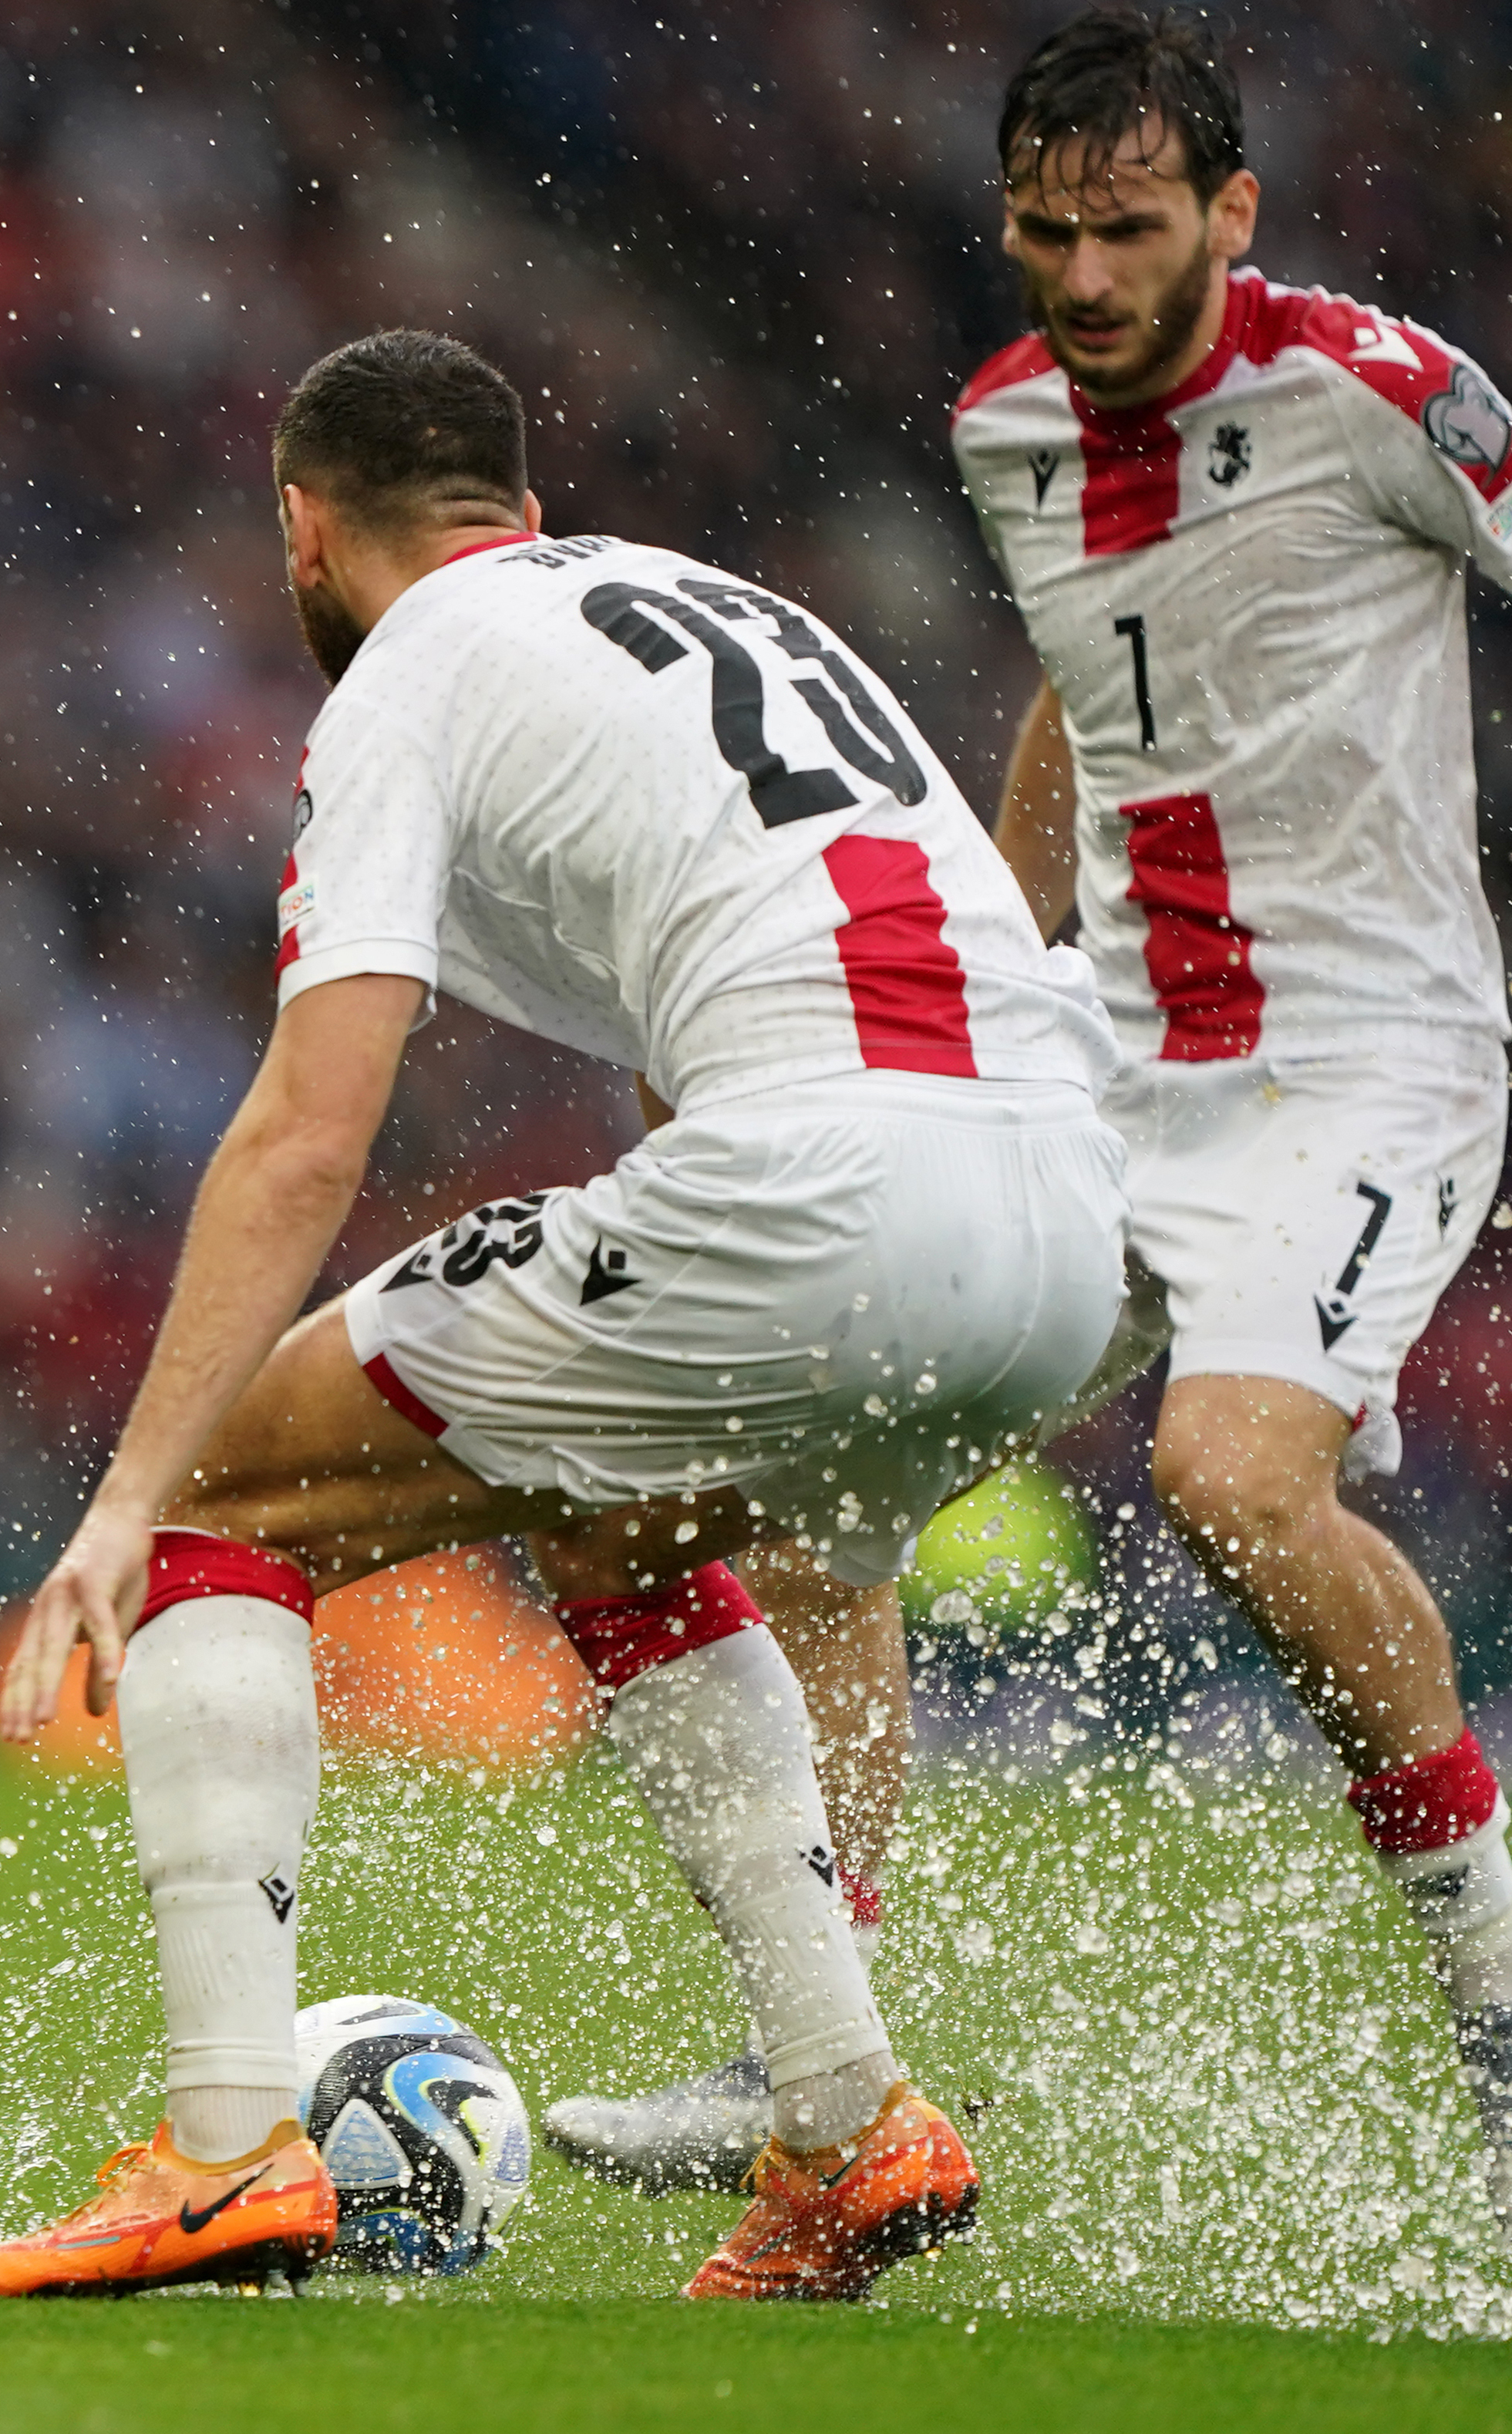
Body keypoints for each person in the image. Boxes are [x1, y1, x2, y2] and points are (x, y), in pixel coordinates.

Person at [0, 330, 1129, 2302]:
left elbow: (311, 1128)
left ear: (300, 534)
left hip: (831, 1187)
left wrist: (125, 1493)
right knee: (603, 1508)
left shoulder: (412, 663)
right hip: (1058, 1215)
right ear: (526, 511)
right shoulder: (717, 607)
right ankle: (844, 2123)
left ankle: (221, 2152)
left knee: (236, 1486)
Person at [547, 7, 1512, 2242]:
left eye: (1135, 230)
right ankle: (819, 2047)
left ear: (1232, 216)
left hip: (1371, 1051)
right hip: (1116, 1048)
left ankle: (1487, 1973)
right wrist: (974, 965)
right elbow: (1089, 690)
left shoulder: (1376, 391)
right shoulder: (1007, 430)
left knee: (1225, 1474)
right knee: (822, 1465)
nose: (1085, 277)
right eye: (1049, 232)